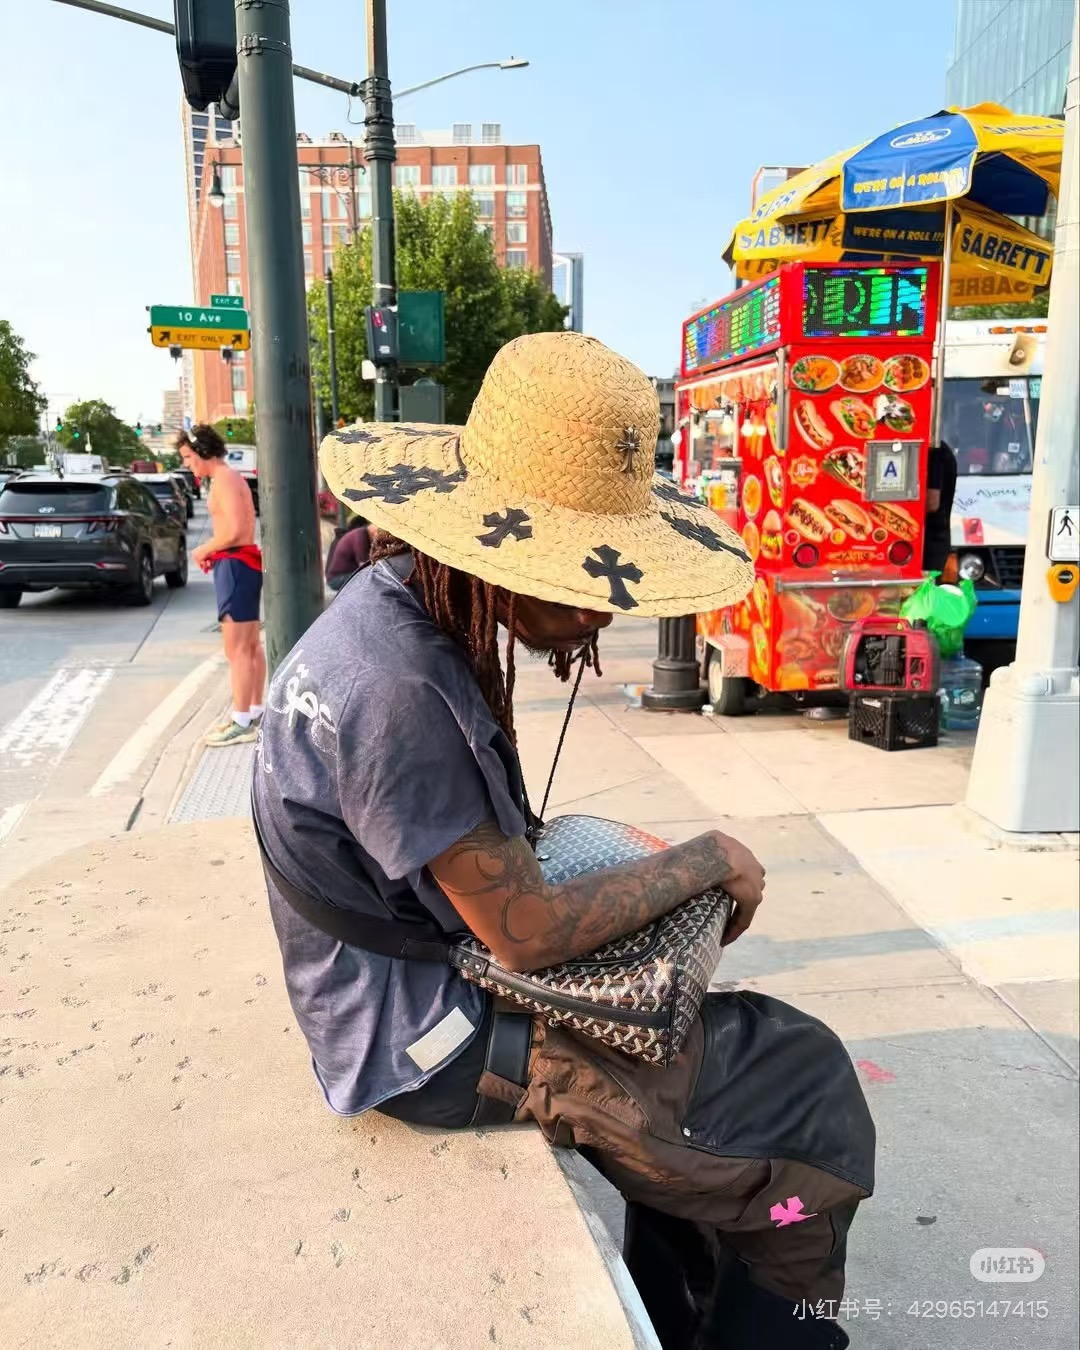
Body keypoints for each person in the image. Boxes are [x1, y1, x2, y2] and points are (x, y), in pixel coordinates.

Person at [253, 333, 873, 1349]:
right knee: (809, 1097)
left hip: (407, 985)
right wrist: (708, 859)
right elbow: (527, 935)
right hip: (422, 1044)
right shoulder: (400, 687)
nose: (603, 603)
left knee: (757, 1059)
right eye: (581, 576)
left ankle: (689, 1294)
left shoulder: (400, 608)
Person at [176, 424, 266, 746]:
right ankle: (253, 711)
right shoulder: (229, 478)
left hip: (235, 564)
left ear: (202, 452)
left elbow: (237, 532)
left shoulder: (224, 480)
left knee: (238, 648)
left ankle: (241, 720)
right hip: (238, 564)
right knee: (249, 646)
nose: (187, 464)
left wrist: (204, 548)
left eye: (188, 457)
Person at [924, 439, 958, 574]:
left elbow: (932, 503)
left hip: (931, 541)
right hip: (934, 539)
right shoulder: (939, 450)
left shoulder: (935, 452)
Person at [325, 514, 371, 592]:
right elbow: (363, 564)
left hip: (334, 577)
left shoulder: (343, 537)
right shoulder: (358, 537)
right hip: (337, 578)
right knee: (367, 578)